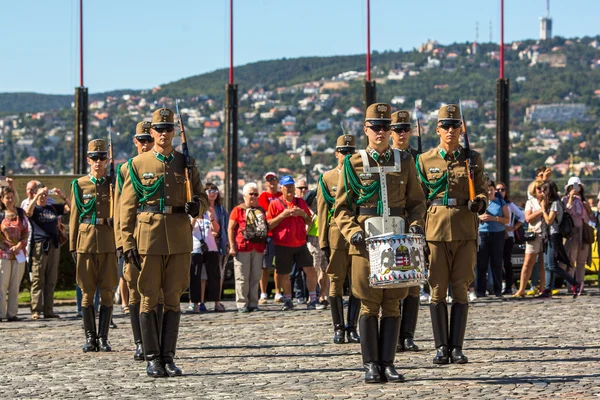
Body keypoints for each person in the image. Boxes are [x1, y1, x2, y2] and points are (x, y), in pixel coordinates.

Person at [335, 103, 426, 383]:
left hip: (397, 241)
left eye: (386, 127)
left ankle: (388, 363)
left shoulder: (405, 161)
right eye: (376, 127)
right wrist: (352, 232)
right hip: (366, 244)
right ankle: (370, 364)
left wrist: (415, 224)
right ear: (366, 129)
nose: (382, 132)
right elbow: (341, 208)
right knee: (369, 305)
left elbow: (417, 202)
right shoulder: (353, 164)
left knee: (393, 304)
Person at [120, 108, 207, 377]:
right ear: (152, 132)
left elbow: (202, 197)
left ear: (174, 132)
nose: (164, 133)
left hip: (179, 237)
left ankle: (168, 357)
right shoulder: (138, 164)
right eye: (159, 129)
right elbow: (127, 207)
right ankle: (152, 358)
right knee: (148, 298)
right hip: (149, 238)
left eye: (168, 128)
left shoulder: (187, 162)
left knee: (173, 299)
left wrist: (197, 207)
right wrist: (127, 243)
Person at [416, 104, 487, 365]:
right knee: (437, 290)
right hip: (434, 230)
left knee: (460, 290)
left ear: (461, 129)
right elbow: (418, 198)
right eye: (445, 126)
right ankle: (440, 347)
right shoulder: (425, 160)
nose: (450, 130)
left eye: (455, 125)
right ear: (437, 129)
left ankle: (456, 347)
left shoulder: (472, 158)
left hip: (465, 229)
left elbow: (482, 190)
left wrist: (479, 202)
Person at [113, 120, 161, 361]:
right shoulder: (127, 168)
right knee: (134, 292)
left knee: (156, 292)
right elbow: (119, 208)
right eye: (142, 140)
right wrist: (122, 242)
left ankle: (156, 342)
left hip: (154, 238)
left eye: (149, 140)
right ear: (135, 142)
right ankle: (140, 342)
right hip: (133, 238)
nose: (146, 144)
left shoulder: (160, 165)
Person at [69, 139, 119, 352]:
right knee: (87, 292)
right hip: (86, 243)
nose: (98, 162)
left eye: (102, 158)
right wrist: (73, 245)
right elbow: (74, 216)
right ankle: (90, 338)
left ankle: (104, 337)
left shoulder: (113, 184)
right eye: (94, 158)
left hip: (108, 241)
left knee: (107, 292)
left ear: (107, 160)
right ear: (88, 160)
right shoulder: (80, 185)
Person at [317, 134, 360, 344]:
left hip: (358, 234)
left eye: (351, 151)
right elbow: (323, 211)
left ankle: (352, 327)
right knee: (335, 282)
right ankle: (338, 327)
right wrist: (323, 242)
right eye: (344, 151)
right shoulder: (327, 178)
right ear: (336, 154)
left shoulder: (361, 175)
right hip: (336, 236)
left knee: (357, 283)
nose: (347, 155)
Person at [390, 110, 422, 352]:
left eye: (406, 129)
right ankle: (392, 334)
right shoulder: (385, 157)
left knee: (412, 283)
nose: (402, 133)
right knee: (391, 283)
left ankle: (407, 334)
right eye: (397, 129)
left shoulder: (418, 159)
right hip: (389, 226)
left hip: (413, 225)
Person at [266, 175, 317, 311]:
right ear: (281, 188)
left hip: (300, 243)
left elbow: (309, 221)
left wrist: (302, 214)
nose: (289, 188)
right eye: (287, 186)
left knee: (310, 270)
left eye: (291, 186)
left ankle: (312, 298)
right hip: (283, 244)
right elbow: (269, 225)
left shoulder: (300, 202)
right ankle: (288, 299)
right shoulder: (275, 204)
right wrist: (283, 215)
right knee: (284, 274)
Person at [25, 183, 70, 320]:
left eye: (45, 195)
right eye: (41, 195)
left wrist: (63, 196)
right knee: (38, 279)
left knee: (51, 279)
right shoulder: (35, 208)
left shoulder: (52, 208)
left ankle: (48, 310)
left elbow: (70, 208)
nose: (43, 197)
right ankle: (36, 310)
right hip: (40, 245)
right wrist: (37, 195)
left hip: (54, 244)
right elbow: (28, 212)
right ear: (35, 194)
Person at [228, 183, 267, 312]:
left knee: (255, 276)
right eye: (251, 194)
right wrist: (232, 246)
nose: (254, 196)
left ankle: (253, 303)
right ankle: (242, 304)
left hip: (258, 247)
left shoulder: (261, 210)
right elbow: (230, 228)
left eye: (256, 194)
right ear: (244, 195)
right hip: (242, 247)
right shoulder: (238, 210)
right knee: (242, 277)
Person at [538, 181, 581, 298]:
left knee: (552, 266)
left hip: (554, 235)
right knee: (547, 265)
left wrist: (542, 209)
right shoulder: (550, 203)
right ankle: (547, 289)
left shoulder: (556, 204)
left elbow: (549, 221)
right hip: (547, 235)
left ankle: (575, 283)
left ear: (549, 191)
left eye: (544, 191)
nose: (542, 193)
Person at [189, 187, 223, 313]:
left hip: (210, 247)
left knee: (214, 275)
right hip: (196, 247)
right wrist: (194, 217)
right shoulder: (190, 214)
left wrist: (212, 217)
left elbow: (217, 229)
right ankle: (195, 303)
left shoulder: (209, 213)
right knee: (195, 276)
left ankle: (216, 302)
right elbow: (188, 229)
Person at [475, 181, 509, 298]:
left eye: (491, 189)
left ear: (495, 190)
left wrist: (494, 218)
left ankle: (497, 290)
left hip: (497, 234)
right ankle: (480, 291)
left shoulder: (500, 202)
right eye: (487, 189)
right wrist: (479, 217)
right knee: (481, 264)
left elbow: (507, 219)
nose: (489, 192)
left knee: (496, 263)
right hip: (483, 234)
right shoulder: (480, 203)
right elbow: (472, 215)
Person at [0, 186, 28, 322]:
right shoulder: (0, 215)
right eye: (7, 198)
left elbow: (26, 232)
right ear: (2, 199)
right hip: (3, 254)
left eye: (11, 197)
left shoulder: (21, 213)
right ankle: (0, 313)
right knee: (1, 285)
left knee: (14, 285)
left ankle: (12, 313)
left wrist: (19, 245)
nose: (10, 200)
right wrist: (6, 246)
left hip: (18, 254)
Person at [513, 181, 546, 298]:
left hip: (546, 235)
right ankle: (522, 289)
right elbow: (528, 218)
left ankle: (543, 289)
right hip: (534, 235)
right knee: (528, 263)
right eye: (539, 189)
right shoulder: (530, 202)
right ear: (534, 190)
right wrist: (541, 210)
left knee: (544, 264)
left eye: (543, 189)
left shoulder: (548, 202)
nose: (541, 191)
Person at [562, 177, 592, 293]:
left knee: (581, 262)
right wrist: (570, 198)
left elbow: (589, 218)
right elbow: (567, 211)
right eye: (573, 186)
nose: (575, 188)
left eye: (578, 186)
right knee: (571, 261)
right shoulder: (565, 199)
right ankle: (571, 286)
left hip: (583, 233)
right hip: (572, 233)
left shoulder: (583, 200)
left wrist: (588, 208)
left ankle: (580, 285)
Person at [495, 182, 525, 295]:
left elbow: (522, 216)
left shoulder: (509, 205)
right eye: (497, 190)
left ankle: (508, 285)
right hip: (495, 234)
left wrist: (514, 227)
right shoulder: (493, 203)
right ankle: (497, 284)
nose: (500, 192)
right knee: (497, 261)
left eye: (502, 190)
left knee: (507, 262)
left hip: (508, 236)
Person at [303, 186, 330, 309]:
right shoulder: (315, 201)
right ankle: (313, 296)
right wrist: (319, 187)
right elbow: (306, 199)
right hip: (314, 236)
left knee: (326, 269)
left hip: (328, 236)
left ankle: (324, 295)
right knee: (314, 268)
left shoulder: (331, 199)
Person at [258, 172, 282, 304]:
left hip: (280, 234)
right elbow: (265, 214)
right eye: (269, 180)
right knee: (264, 266)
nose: (271, 182)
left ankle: (278, 292)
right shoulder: (263, 196)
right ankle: (263, 293)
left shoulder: (281, 196)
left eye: (273, 179)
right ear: (266, 183)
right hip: (268, 234)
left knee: (279, 265)